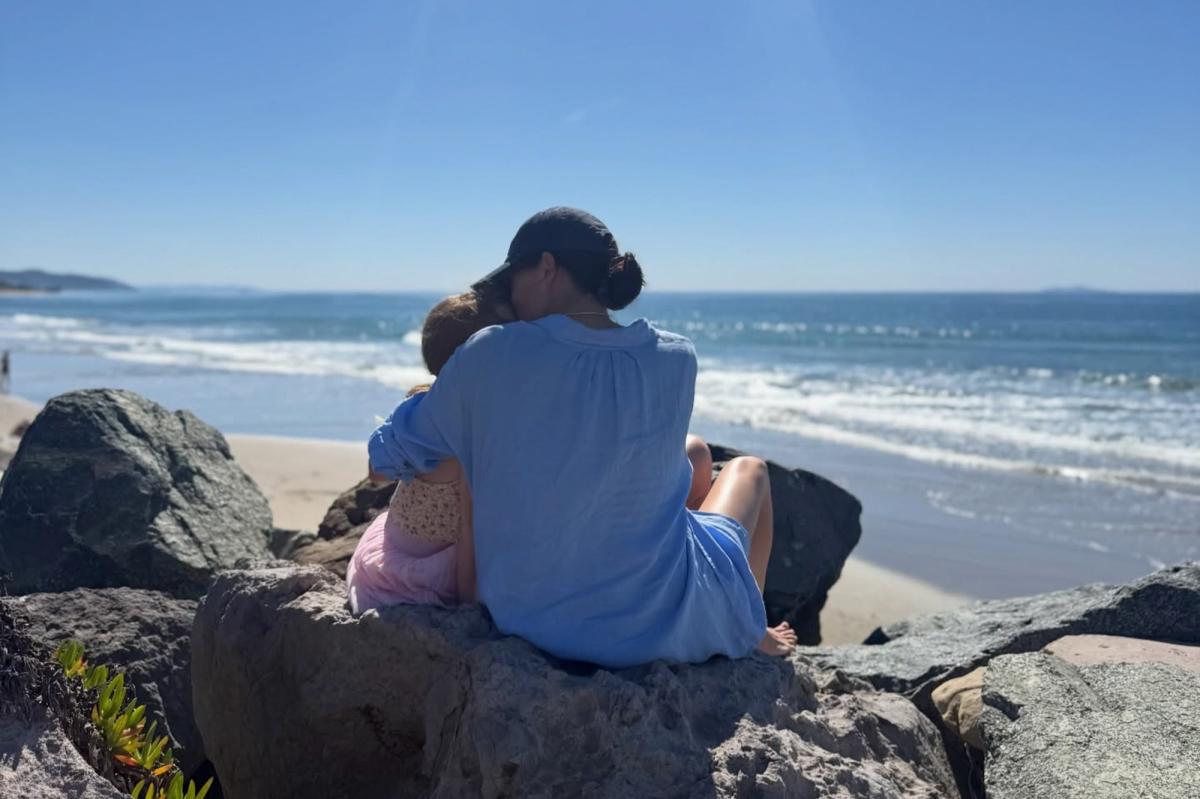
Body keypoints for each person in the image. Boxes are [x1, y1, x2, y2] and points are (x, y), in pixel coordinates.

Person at [368, 207, 795, 668]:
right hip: (653, 628)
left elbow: (382, 460)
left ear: (546, 267)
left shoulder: (491, 351)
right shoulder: (677, 357)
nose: (511, 296)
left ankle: (740, 620)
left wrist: (440, 395)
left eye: (513, 279)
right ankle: (745, 623)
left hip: (528, 618)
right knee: (749, 470)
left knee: (695, 455)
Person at [349, 291, 721, 613]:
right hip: (432, 576)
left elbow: (377, 471)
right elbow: (469, 532)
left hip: (396, 553)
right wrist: (471, 613)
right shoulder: (479, 432)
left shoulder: (424, 409)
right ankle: (680, 569)